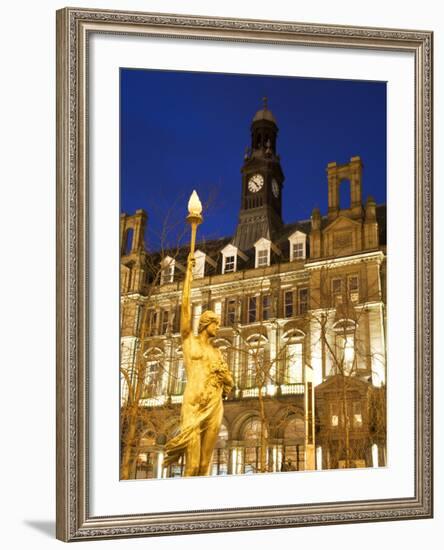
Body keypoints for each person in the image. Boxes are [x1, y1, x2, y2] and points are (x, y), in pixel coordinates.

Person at [163, 254, 233, 476]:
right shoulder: (189, 341)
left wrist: (228, 381)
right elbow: (184, 309)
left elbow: (228, 382)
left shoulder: (217, 351)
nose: (218, 328)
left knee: (204, 466)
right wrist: (188, 276)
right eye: (216, 323)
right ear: (206, 323)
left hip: (214, 405)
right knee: (192, 466)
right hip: (193, 406)